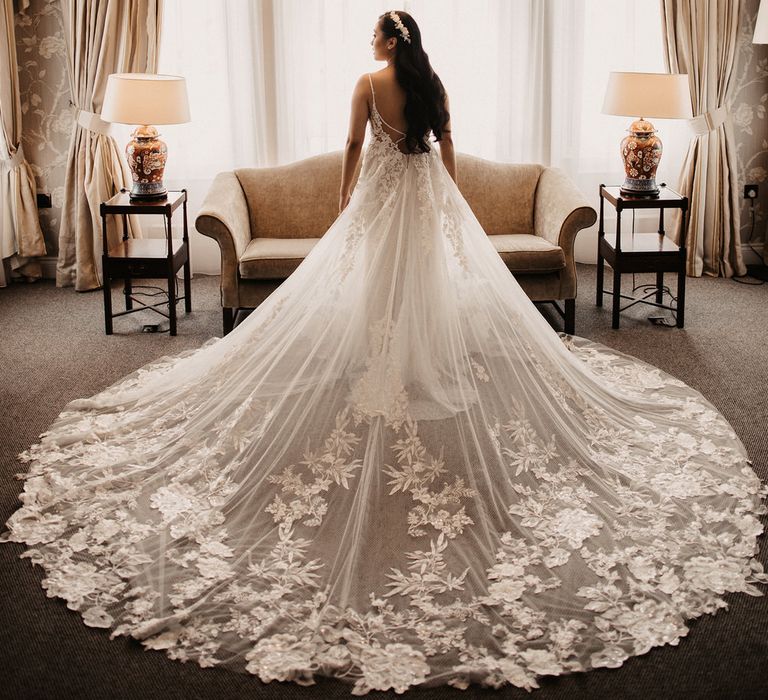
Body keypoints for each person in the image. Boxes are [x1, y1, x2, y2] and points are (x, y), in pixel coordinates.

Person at [1, 9, 765, 696]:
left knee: (374, 291)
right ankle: (415, 366)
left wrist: (343, 204)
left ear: (381, 42)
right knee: (422, 287)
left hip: (383, 197)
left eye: (374, 34)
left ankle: (386, 365)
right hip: (427, 193)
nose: (372, 45)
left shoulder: (369, 81)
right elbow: (449, 147)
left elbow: (349, 146)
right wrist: (451, 201)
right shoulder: (431, 80)